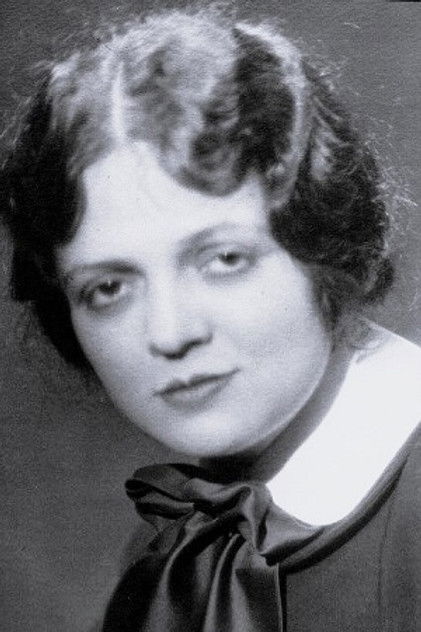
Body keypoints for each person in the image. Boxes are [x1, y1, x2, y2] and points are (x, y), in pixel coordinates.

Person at [0, 5, 420, 631]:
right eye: (109, 288)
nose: (170, 334)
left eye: (225, 259)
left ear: (322, 244)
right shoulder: (176, 554)